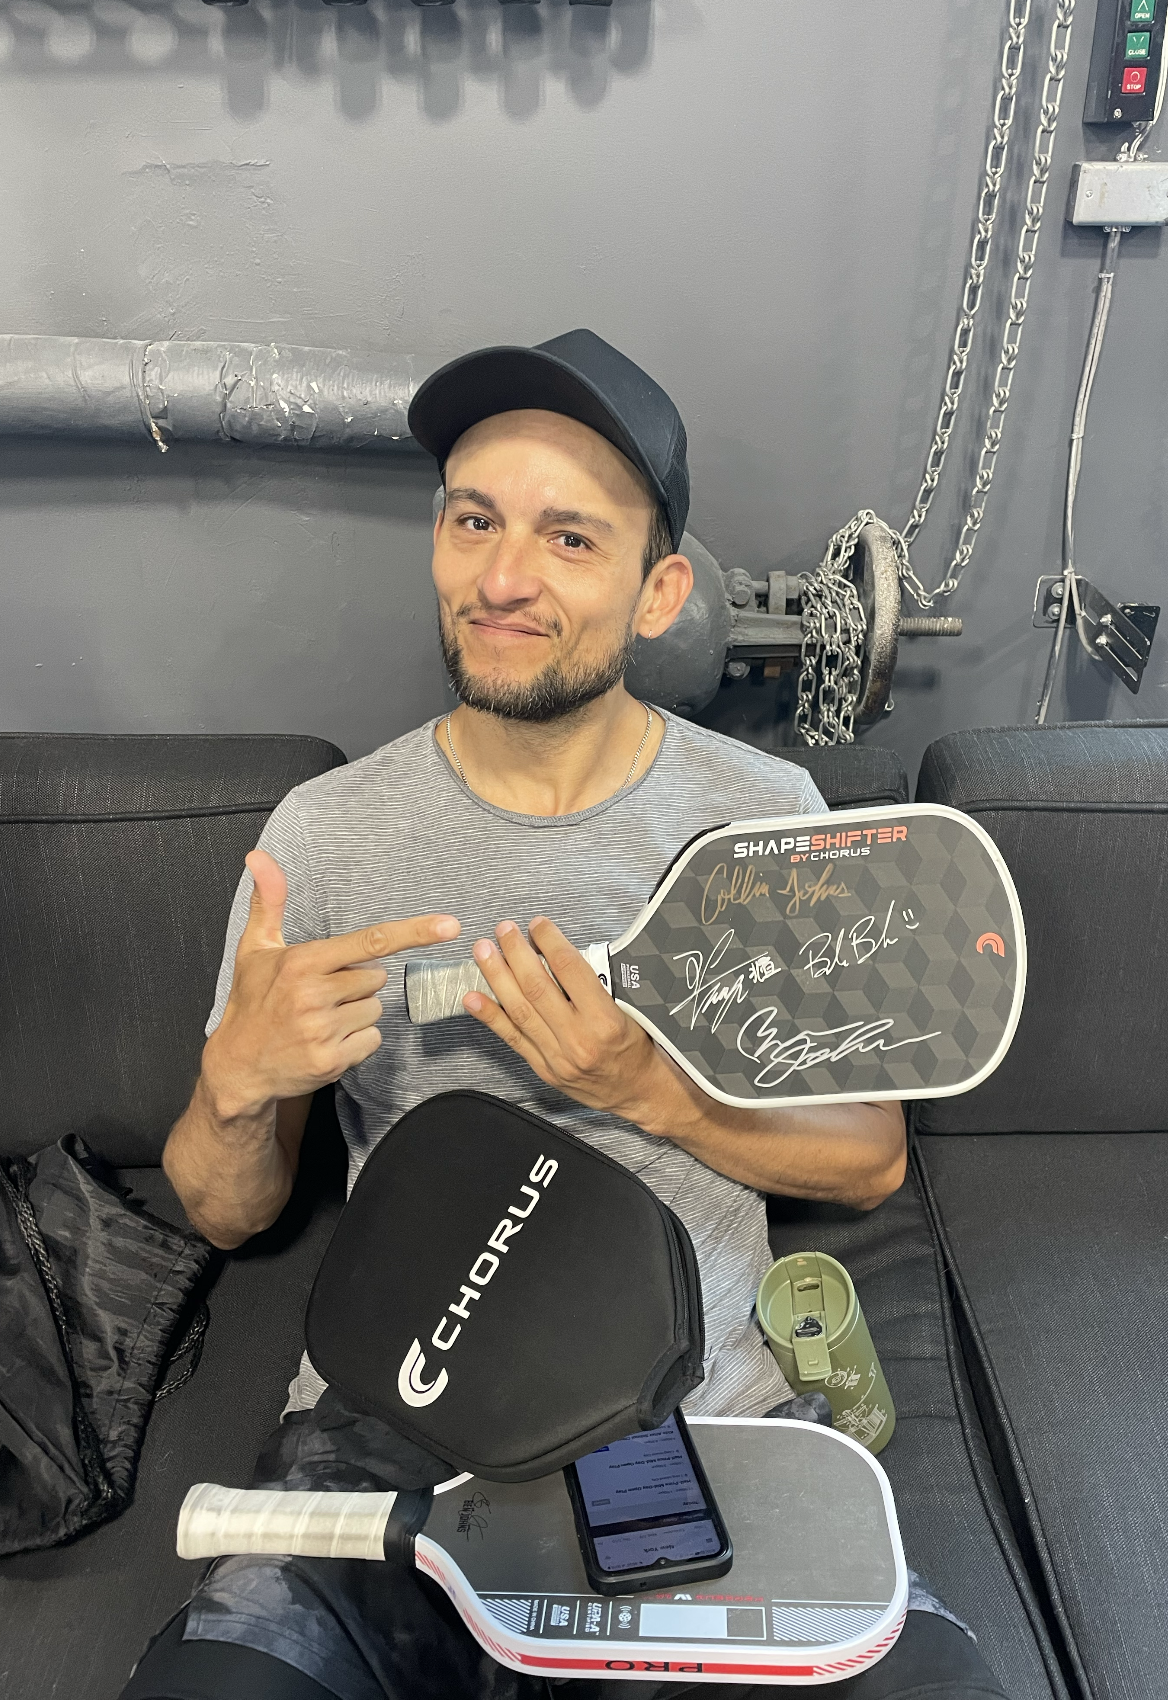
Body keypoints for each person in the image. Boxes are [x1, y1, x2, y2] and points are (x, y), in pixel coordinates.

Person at [125, 331, 1008, 1700]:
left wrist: (643, 1087)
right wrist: (236, 1086)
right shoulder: (327, 837)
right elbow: (225, 1211)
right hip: (393, 1423)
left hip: (689, 1420)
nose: (505, 578)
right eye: (473, 520)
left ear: (659, 593)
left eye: (569, 539)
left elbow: (868, 1160)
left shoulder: (762, 823)